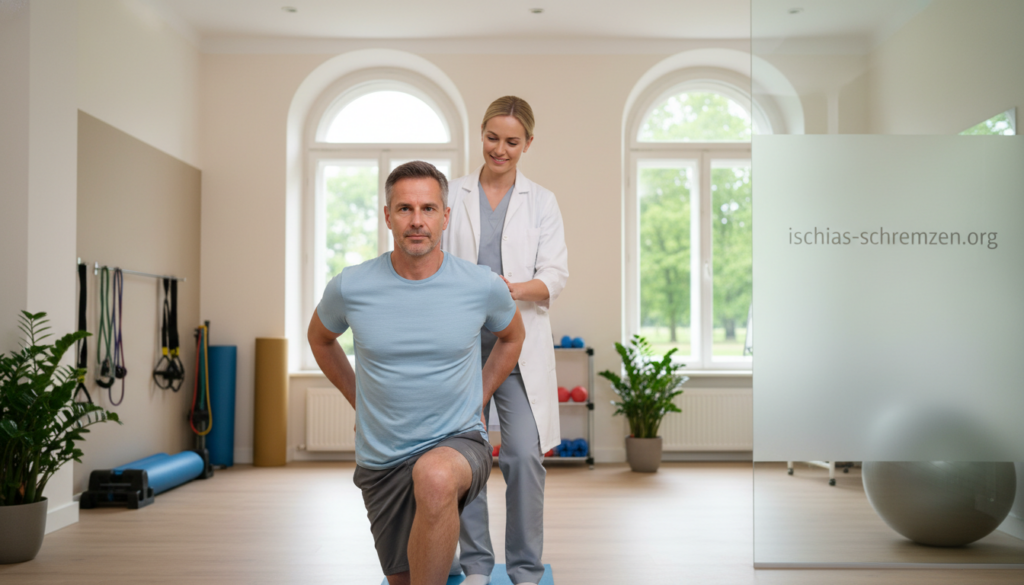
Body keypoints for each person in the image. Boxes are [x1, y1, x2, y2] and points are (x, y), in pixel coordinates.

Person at [308, 161, 526, 585]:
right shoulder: (350, 286)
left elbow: (512, 337)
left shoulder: (480, 285)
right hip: (382, 457)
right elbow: (320, 339)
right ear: (387, 216)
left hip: (458, 441)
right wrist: (360, 400)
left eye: (428, 208)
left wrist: (479, 395)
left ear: (445, 216)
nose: (417, 221)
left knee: (435, 476)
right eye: (405, 209)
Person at [443, 96, 569, 585]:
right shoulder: (450, 193)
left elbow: (554, 275)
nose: (500, 149)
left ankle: (523, 570)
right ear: (481, 134)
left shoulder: (542, 201)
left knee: (522, 456)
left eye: (512, 141)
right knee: (465, 456)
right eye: (493, 138)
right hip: (457, 349)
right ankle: (476, 566)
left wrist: (504, 289)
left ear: (528, 143)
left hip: (515, 345)